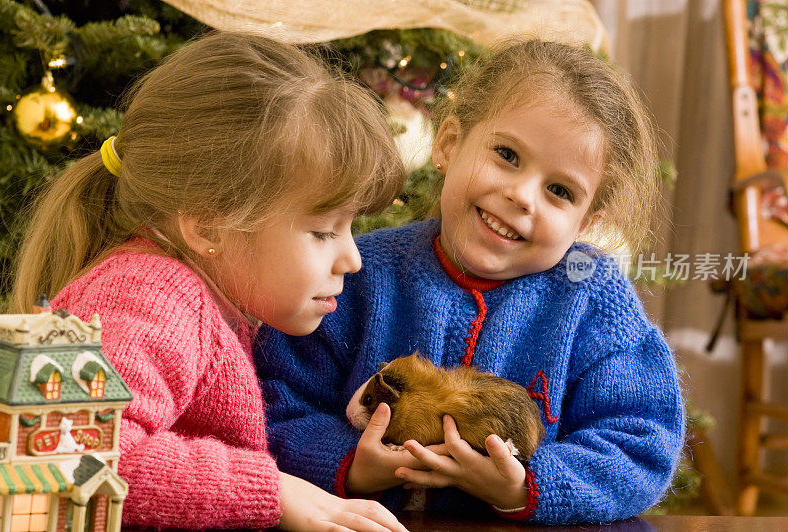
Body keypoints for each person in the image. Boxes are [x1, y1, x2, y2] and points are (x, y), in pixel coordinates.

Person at [253, 39, 685, 525]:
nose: (522, 196)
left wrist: (524, 484)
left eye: (560, 191)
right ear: (448, 144)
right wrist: (349, 465)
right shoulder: (360, 274)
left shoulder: (595, 300)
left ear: (586, 223)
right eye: (507, 154)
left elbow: (639, 445)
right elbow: (269, 401)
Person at [11, 32, 409, 532]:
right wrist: (272, 489)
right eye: (323, 231)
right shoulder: (150, 294)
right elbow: (71, 453)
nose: (351, 259)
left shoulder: (208, 297)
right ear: (207, 226)